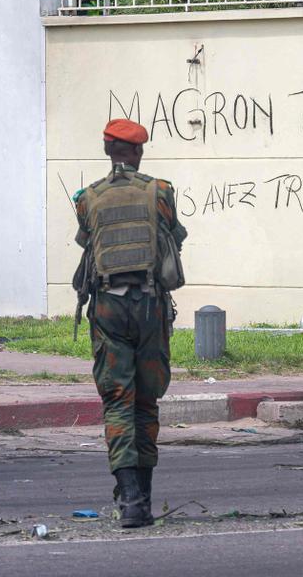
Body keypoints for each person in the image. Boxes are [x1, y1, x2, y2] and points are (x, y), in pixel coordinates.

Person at [72, 119, 188, 527]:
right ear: (137, 152)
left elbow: (88, 240)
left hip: (108, 306)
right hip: (150, 305)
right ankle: (146, 496)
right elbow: (175, 234)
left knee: (117, 401)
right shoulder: (160, 192)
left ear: (107, 151)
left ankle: (132, 502)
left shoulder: (87, 198)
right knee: (146, 401)